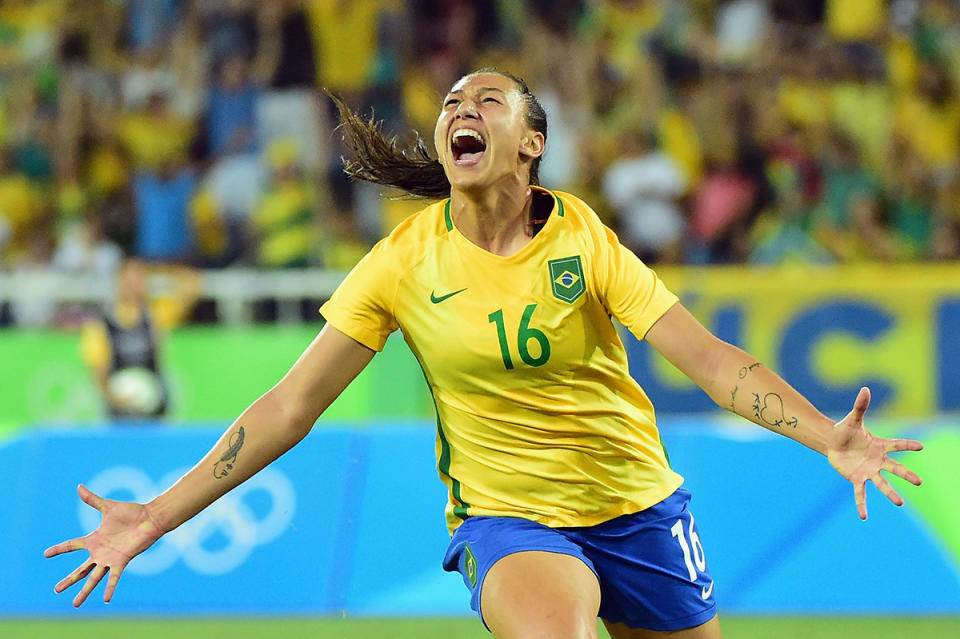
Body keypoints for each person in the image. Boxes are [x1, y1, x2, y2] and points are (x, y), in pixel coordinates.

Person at [46, 70, 924, 638]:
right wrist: (157, 514)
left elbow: (711, 360)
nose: (460, 110)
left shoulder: (585, 239)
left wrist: (825, 436)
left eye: (486, 101)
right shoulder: (401, 263)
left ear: (531, 143)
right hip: (510, 520)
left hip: (639, 506)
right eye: (450, 105)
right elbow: (287, 406)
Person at [79, 256, 200, 420]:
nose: (133, 285)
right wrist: (115, 397)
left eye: (139, 278)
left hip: (155, 410)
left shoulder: (157, 313)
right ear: (118, 281)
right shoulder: (101, 323)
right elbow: (98, 371)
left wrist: (161, 269)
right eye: (128, 279)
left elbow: (191, 285)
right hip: (119, 413)